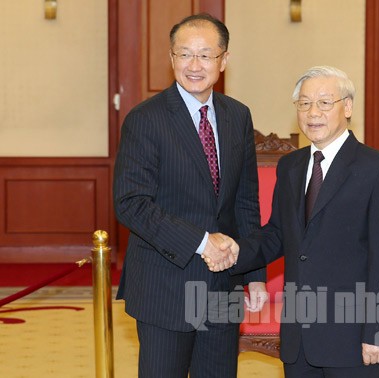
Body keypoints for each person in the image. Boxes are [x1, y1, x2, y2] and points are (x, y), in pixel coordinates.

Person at [209, 65, 379, 377]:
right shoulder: (291, 166)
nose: (312, 112)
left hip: (353, 335)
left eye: (324, 102)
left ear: (348, 107)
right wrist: (235, 251)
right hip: (299, 336)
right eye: (304, 103)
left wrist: (378, 331)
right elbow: (277, 234)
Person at [113, 13, 267, 378]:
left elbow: (246, 199)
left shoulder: (237, 116)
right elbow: (131, 203)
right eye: (184, 54)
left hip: (223, 286)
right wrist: (201, 242)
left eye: (205, 55)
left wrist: (254, 272)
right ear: (171, 59)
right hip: (165, 284)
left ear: (223, 60)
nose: (194, 65)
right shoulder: (145, 119)